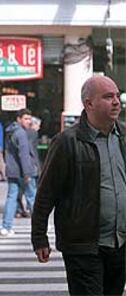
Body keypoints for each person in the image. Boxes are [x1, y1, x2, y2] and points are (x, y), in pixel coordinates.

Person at [31, 75, 126, 296]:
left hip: (120, 244)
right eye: (108, 96)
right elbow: (46, 193)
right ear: (88, 103)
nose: (116, 101)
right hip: (83, 246)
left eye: (116, 96)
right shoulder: (66, 142)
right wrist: (39, 236)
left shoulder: (123, 136)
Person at [0, 108, 38, 236]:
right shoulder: (21, 133)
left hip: (12, 170)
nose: (29, 121)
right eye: (26, 119)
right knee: (32, 198)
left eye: (29, 119)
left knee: (11, 198)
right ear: (19, 119)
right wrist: (27, 172)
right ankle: (40, 225)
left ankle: (6, 226)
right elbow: (24, 154)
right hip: (23, 171)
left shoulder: (11, 131)